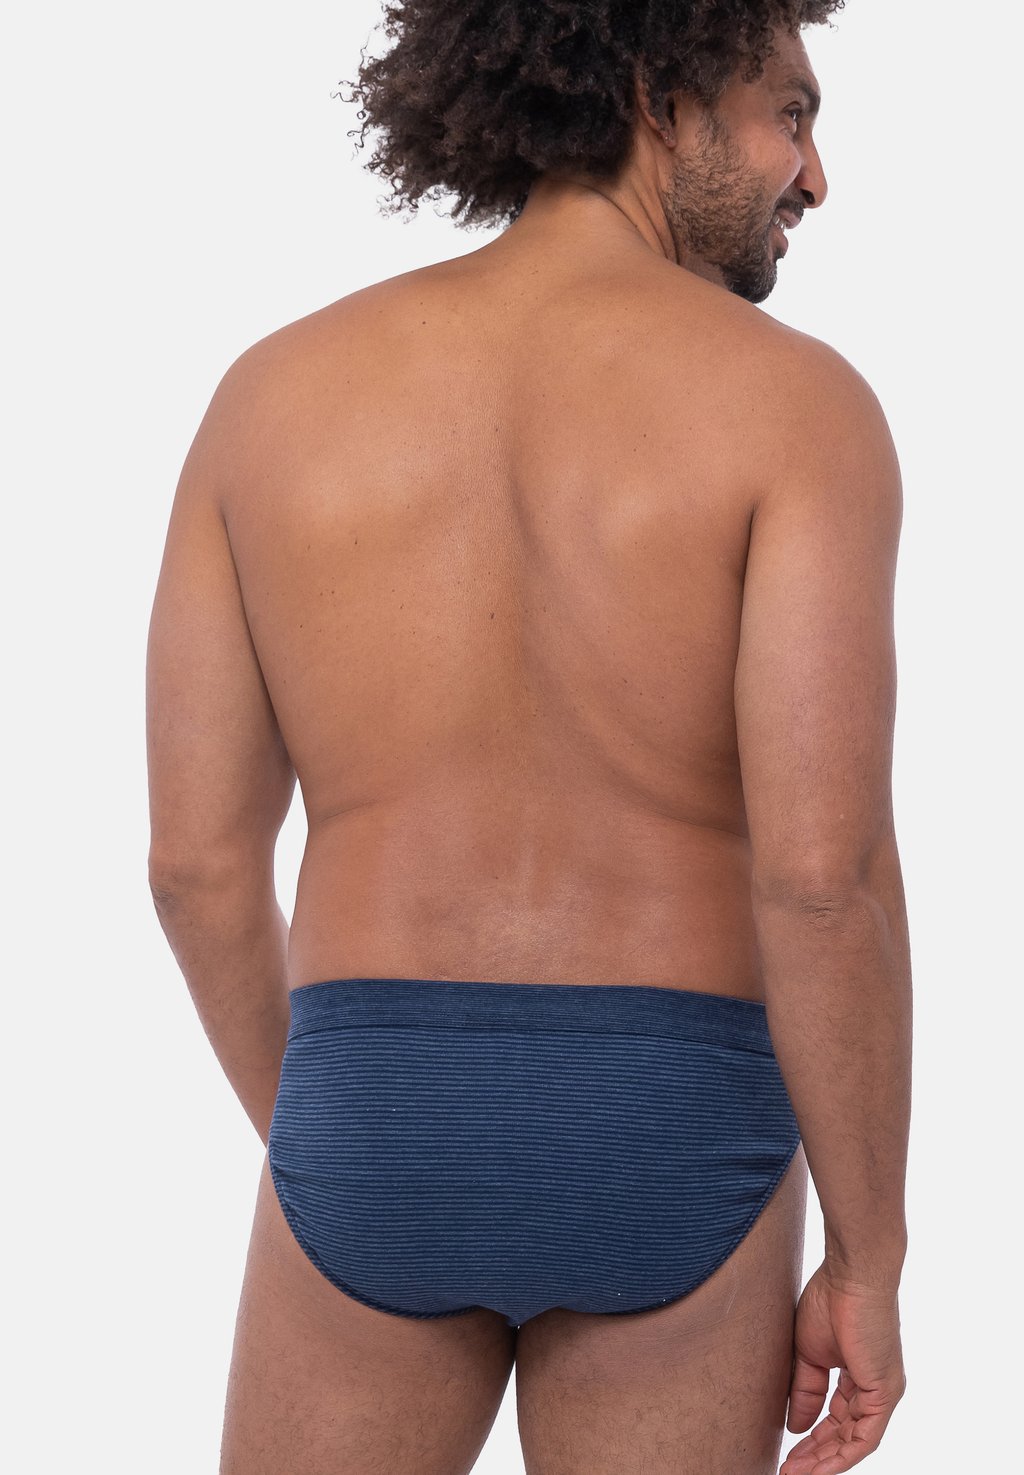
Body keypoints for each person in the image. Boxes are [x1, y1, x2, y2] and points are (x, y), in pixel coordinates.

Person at [146, 3, 911, 1472]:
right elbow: (826, 881)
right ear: (661, 97)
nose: (814, 176)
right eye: (791, 114)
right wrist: (868, 1258)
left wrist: (349, 1147)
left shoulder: (270, 396)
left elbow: (196, 869)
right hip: (673, 1114)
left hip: (370, 1096)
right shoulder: (798, 409)